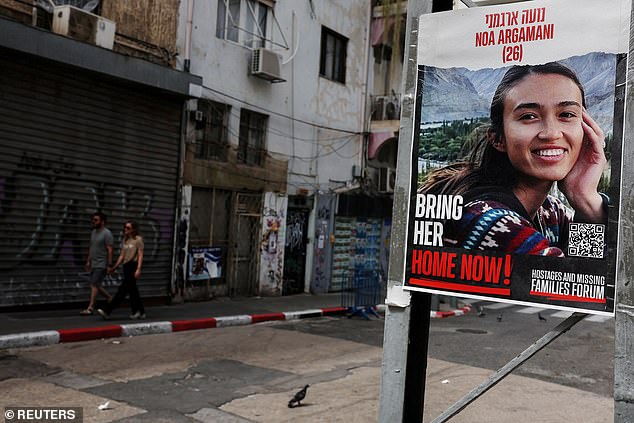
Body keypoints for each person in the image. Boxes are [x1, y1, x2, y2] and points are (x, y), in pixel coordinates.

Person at [421, 62, 608, 257]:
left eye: (567, 114)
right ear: (498, 139)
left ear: (587, 130)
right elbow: (579, 283)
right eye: (529, 116)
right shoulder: (491, 223)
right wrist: (590, 211)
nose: (551, 133)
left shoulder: (550, 212)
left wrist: (585, 200)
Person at [97, 220, 146, 319]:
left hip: (133, 266)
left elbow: (140, 255)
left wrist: (138, 269)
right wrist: (114, 267)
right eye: (125, 227)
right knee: (133, 291)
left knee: (122, 290)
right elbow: (122, 255)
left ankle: (108, 310)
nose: (125, 229)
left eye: (128, 228)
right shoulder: (125, 240)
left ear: (133, 229)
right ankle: (139, 311)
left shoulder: (138, 240)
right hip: (126, 266)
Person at [80, 211, 114, 315]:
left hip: (101, 263)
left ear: (102, 222)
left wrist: (109, 265)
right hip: (94, 263)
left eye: (96, 220)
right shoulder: (93, 232)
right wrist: (88, 261)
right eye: (93, 220)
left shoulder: (107, 233)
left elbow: (110, 250)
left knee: (94, 284)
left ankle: (90, 308)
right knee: (95, 284)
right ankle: (110, 298)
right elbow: (91, 247)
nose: (93, 222)